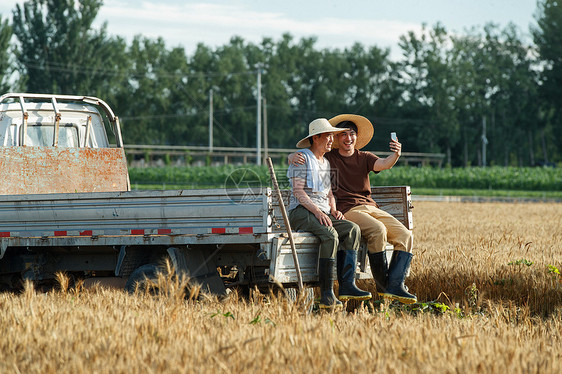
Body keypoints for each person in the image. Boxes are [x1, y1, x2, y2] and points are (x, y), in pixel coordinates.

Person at [289, 114, 416, 304]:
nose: (338, 139)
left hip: (364, 207)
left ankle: (394, 286)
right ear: (317, 138)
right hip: (336, 209)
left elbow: (329, 192)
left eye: (351, 134)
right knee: (372, 231)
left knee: (405, 235)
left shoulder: (330, 162)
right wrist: (290, 156)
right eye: (335, 136)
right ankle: (336, 293)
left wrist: (396, 155)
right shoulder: (320, 157)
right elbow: (298, 186)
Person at [287, 118, 372, 309]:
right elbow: (298, 192)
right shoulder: (302, 158)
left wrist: (334, 210)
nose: (332, 140)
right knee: (330, 234)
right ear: (316, 138)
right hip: (301, 212)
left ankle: (348, 285)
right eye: (328, 136)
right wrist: (318, 212)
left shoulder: (325, 162)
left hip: (323, 211)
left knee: (352, 230)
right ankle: (326, 294)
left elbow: (330, 194)